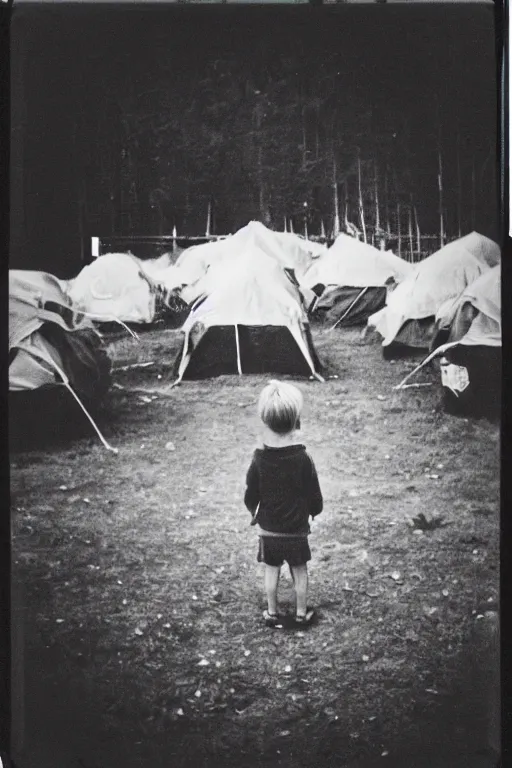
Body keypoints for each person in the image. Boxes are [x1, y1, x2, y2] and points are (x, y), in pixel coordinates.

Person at [244, 380, 323, 627]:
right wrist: (314, 510)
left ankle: (272, 612)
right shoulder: (303, 458)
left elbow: (250, 493)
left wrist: (253, 511)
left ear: (265, 421)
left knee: (271, 568)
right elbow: (314, 494)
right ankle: (301, 614)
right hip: (296, 530)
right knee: (299, 569)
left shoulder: (259, 458)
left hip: (269, 530)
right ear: (297, 421)